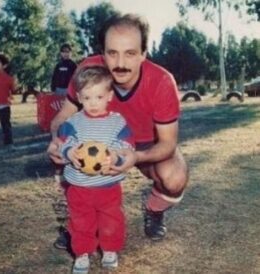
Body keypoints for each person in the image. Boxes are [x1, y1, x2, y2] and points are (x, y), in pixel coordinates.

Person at [48, 13, 189, 246]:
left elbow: (167, 143)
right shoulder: (88, 70)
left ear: (144, 53)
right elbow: (62, 117)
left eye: (130, 53)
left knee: (175, 178)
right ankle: (79, 224)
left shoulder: (162, 81)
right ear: (102, 53)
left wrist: (135, 156)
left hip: (145, 145)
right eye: (112, 53)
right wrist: (56, 140)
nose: (121, 63)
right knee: (71, 163)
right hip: (93, 140)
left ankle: (154, 209)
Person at [57, 65, 135, 274]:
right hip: (79, 187)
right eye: (87, 97)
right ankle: (82, 253)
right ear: (79, 98)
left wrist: (117, 155)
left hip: (108, 186)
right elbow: (63, 143)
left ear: (109, 96)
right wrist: (69, 152)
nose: (93, 103)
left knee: (111, 219)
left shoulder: (117, 123)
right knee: (81, 221)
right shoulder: (73, 122)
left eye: (98, 97)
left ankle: (110, 249)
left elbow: (127, 146)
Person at [50, 43, 77, 184]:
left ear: (70, 53)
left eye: (67, 52)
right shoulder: (58, 65)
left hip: (68, 90)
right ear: (60, 53)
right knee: (58, 113)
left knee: (68, 114)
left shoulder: (73, 65)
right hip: (58, 90)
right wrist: (53, 88)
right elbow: (54, 78)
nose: (65, 54)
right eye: (63, 52)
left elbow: (75, 79)